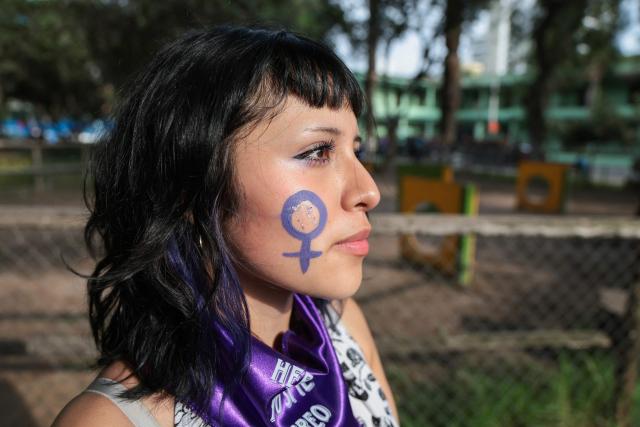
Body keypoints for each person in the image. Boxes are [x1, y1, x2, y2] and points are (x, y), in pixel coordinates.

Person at [53, 26, 399, 427]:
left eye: (355, 151)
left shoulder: (341, 327)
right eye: (317, 151)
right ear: (191, 191)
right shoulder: (111, 422)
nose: (368, 191)